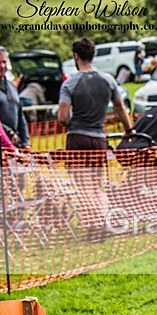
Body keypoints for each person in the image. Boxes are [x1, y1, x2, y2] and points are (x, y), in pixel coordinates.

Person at [58, 37, 133, 239]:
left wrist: (72, 120)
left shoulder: (70, 83)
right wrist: (129, 130)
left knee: (83, 186)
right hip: (99, 138)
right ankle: (104, 221)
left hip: (78, 138)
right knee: (97, 184)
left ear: (75, 56)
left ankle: (96, 225)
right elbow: (120, 108)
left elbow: (62, 118)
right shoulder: (108, 79)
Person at [0, 46, 29, 149]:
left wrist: (26, 141)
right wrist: (7, 131)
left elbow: (20, 116)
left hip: (15, 142)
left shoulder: (12, 86)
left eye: (4, 62)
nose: (2, 66)